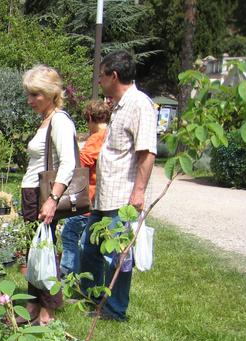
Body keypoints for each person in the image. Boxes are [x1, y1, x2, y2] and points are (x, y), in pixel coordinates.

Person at [80, 51, 157, 321]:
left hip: (122, 197)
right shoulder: (120, 105)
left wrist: (139, 192)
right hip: (104, 196)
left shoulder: (139, 104)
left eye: (101, 76)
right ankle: (93, 299)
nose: (99, 81)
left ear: (114, 76)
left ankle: (115, 310)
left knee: (118, 257)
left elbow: (147, 152)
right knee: (89, 249)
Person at [20, 65, 78, 325]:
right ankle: (34, 304)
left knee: (45, 251)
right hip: (33, 193)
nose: (30, 100)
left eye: (36, 94)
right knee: (35, 251)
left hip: (43, 194)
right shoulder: (46, 120)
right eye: (29, 94)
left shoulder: (60, 121)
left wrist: (52, 199)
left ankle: (48, 311)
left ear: (52, 93)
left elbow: (68, 163)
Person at [60, 100, 111, 277]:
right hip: (100, 198)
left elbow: (81, 163)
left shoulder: (97, 137)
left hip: (87, 199)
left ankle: (69, 277)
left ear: (90, 117)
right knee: (90, 244)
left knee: (69, 235)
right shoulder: (110, 135)